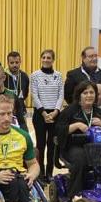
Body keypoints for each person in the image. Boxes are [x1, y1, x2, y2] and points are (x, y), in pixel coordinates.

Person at [56, 80, 101, 200]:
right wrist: (76, 126)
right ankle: (74, 195)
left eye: (92, 92)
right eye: (85, 93)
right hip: (73, 147)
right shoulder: (70, 111)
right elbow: (59, 131)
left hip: (96, 148)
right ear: (79, 95)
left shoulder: (99, 112)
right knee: (81, 159)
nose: (89, 95)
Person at [30, 49, 64, 181]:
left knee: (52, 145)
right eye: (43, 57)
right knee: (40, 145)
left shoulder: (59, 75)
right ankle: (40, 172)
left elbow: (61, 95)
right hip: (40, 115)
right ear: (41, 59)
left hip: (55, 114)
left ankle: (49, 173)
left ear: (53, 60)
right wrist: (44, 113)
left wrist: (55, 112)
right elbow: (34, 95)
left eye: (48, 57)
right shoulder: (35, 75)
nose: (46, 59)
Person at [4, 51, 29, 128]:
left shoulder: (24, 76)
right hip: (6, 111)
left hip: (21, 110)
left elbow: (25, 94)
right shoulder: (3, 76)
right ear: (8, 63)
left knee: (23, 133)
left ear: (20, 62)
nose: (14, 65)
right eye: (12, 63)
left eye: (17, 62)